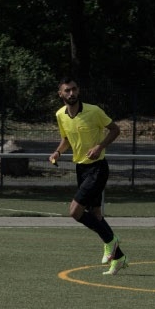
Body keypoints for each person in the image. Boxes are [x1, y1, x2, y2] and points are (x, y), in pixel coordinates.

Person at [48, 78, 128, 275]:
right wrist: (58, 152)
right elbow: (66, 138)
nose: (71, 93)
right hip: (81, 169)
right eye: (67, 90)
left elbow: (115, 129)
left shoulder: (93, 111)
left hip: (98, 168)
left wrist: (99, 146)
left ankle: (111, 241)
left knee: (75, 211)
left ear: (79, 90)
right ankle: (119, 258)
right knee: (96, 215)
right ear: (61, 94)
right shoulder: (60, 114)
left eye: (74, 89)